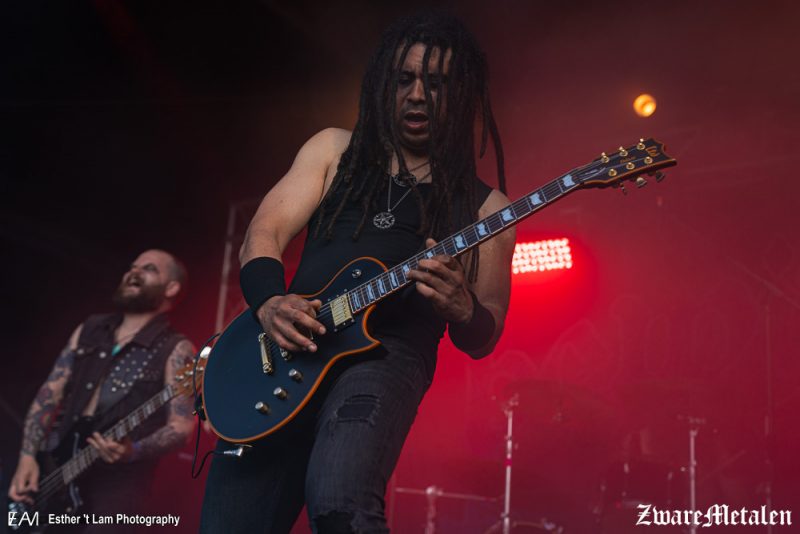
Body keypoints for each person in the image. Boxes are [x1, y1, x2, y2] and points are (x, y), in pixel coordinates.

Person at [200, 12, 516, 533]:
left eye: (436, 84)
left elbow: (488, 329)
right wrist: (270, 302)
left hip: (388, 356)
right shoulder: (332, 149)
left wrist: (464, 309)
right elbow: (265, 230)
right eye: (404, 79)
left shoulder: (488, 208)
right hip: (291, 344)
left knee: (340, 502)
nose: (417, 95)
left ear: (462, 94)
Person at [7, 249, 196, 531]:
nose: (134, 272)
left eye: (149, 269)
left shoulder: (176, 348)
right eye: (132, 266)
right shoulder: (91, 329)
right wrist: (27, 457)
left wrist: (133, 450)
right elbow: (49, 395)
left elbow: (181, 428)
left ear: (171, 288)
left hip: (118, 489)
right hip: (56, 469)